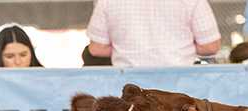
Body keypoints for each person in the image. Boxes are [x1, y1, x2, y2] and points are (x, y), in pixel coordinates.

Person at [86, 0, 221, 68]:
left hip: (129, 88)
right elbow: (210, 46)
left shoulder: (108, 1)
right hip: (178, 88)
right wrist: (180, 48)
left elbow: (97, 48)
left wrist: (127, 49)